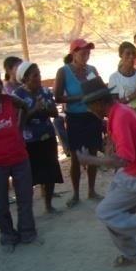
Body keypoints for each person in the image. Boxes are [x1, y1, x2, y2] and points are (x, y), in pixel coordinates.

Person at [76, 77, 136, 267]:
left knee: (105, 211)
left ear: (99, 103)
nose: (89, 110)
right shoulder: (119, 112)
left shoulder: (120, 117)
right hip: (133, 174)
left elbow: (123, 159)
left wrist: (89, 160)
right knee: (115, 217)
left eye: (90, 106)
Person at [0, 65, 37, 252]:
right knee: (1, 203)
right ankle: (8, 236)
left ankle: (27, 232)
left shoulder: (10, 100)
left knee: (25, 198)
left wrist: (19, 128)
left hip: (19, 158)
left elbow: (25, 107)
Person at [54, 38, 103, 208]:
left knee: (93, 154)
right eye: (83, 52)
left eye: (88, 52)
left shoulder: (92, 70)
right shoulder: (64, 72)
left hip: (92, 117)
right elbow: (58, 97)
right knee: (76, 158)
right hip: (75, 118)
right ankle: (75, 194)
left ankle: (91, 190)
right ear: (73, 53)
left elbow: (99, 89)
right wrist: (80, 98)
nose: (86, 55)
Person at [13, 62, 64, 213]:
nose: (39, 78)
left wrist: (48, 109)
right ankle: (27, 210)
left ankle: (48, 205)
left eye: (39, 74)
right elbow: (18, 121)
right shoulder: (18, 96)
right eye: (35, 75)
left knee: (50, 173)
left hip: (47, 137)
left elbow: (55, 113)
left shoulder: (45, 92)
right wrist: (35, 110)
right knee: (29, 176)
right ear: (25, 79)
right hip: (29, 141)